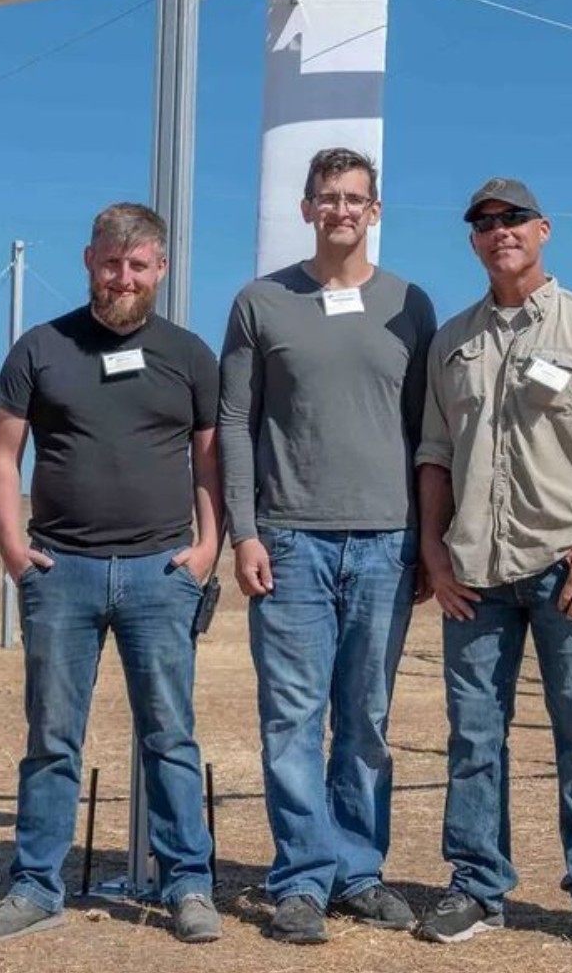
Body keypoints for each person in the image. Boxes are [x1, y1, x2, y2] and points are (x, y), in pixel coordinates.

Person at [0, 203, 225, 945]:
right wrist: (17, 553)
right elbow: (0, 459)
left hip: (159, 573)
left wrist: (207, 548)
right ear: (89, 261)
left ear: (161, 270)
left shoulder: (188, 354)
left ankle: (188, 887)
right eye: (112, 264)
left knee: (170, 736)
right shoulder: (41, 347)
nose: (123, 279)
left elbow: (209, 461)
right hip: (63, 572)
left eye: (138, 266)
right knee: (52, 738)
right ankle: (35, 887)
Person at [412, 176, 572, 953]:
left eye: (513, 218)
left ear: (543, 229)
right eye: (483, 222)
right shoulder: (453, 340)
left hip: (565, 570)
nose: (498, 230)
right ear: (473, 240)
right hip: (475, 574)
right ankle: (477, 886)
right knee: (474, 735)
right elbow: (436, 456)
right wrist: (435, 556)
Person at [217, 148, 438, 943]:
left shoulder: (411, 304)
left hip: (387, 541)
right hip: (291, 542)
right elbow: (236, 423)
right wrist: (244, 532)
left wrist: (427, 541)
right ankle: (302, 879)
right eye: (327, 198)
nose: (341, 209)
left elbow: (426, 433)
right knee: (292, 719)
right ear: (307, 208)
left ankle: (359, 872)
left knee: (367, 719)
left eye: (355, 198)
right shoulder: (260, 302)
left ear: (375, 210)